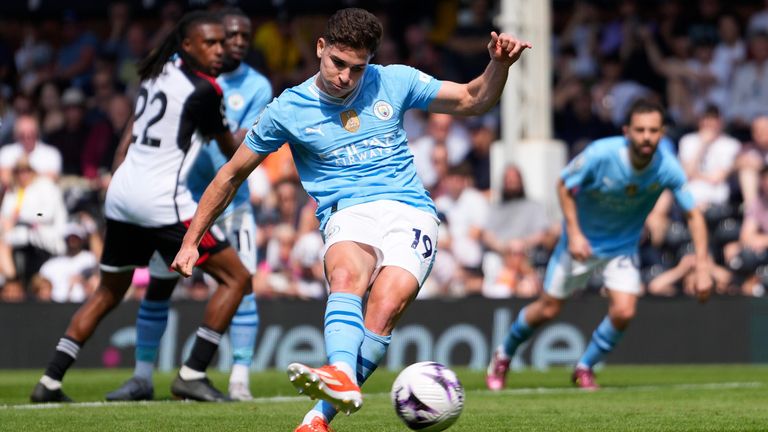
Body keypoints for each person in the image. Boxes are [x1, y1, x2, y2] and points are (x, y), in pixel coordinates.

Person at [171, 8, 530, 431]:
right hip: (348, 211)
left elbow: (473, 99)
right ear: (321, 49)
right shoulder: (288, 109)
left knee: (384, 308)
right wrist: (192, 239)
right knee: (346, 276)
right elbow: (230, 174)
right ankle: (339, 375)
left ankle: (319, 417)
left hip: (410, 210)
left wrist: (498, 64)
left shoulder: (392, 80)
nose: (345, 77)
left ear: (370, 63)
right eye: (337, 63)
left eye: (357, 69)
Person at [30, 11, 251, 403]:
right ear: (187, 45)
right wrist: (259, 140)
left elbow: (128, 135)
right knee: (237, 279)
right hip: (161, 202)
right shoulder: (205, 90)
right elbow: (229, 152)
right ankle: (193, 372)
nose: (219, 50)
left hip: (122, 194)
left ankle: (49, 381)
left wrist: (115, 177)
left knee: (108, 292)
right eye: (211, 43)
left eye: (221, 42)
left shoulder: (157, 73)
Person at [104, 8, 273, 403]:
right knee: (160, 286)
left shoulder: (257, 86)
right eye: (228, 36)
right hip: (182, 201)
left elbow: (246, 143)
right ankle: (142, 376)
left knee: (242, 285)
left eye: (244, 37)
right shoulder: (187, 79)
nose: (236, 43)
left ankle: (240, 380)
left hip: (233, 203)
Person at [486, 100, 713, 392]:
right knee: (548, 309)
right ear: (626, 131)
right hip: (579, 244)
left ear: (662, 132)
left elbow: (693, 214)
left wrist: (703, 265)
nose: (646, 136)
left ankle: (584, 367)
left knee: (624, 311)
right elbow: (564, 185)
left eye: (653, 130)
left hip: (622, 247)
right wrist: (576, 233)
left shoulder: (666, 166)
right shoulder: (601, 154)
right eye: (640, 130)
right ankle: (503, 354)